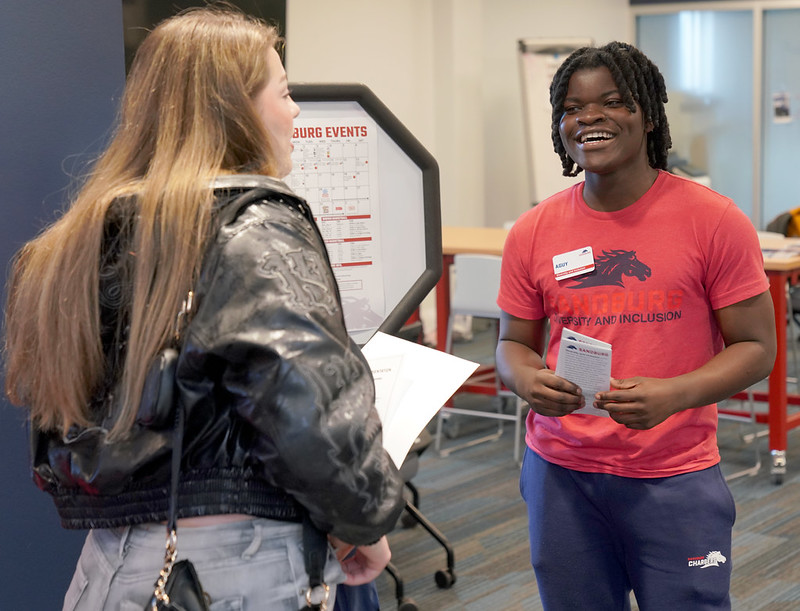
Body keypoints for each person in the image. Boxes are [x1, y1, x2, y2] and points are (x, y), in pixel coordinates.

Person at [4, 7, 404, 610]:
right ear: (236, 107)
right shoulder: (256, 224)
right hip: (237, 572)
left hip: (107, 570)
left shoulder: (70, 242)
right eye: (286, 92)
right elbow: (306, 407)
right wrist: (364, 519)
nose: (296, 112)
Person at [496, 41, 776, 610]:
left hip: (675, 476)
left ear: (648, 116)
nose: (589, 118)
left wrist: (675, 395)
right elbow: (511, 345)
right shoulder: (532, 231)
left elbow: (756, 347)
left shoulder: (714, 221)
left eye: (613, 102)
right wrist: (528, 381)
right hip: (562, 474)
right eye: (572, 108)